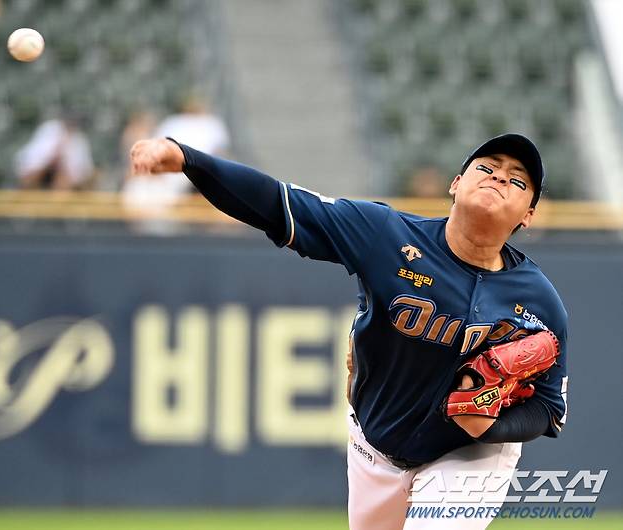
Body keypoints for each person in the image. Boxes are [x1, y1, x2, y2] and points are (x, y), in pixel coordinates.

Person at [129, 133, 568, 530]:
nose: (498, 177)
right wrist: (189, 159)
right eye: (487, 167)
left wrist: (486, 426)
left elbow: (549, 408)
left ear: (527, 215)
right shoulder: (387, 235)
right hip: (375, 443)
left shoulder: (540, 302)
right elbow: (280, 205)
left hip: (469, 455)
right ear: (456, 183)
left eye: (517, 179)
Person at [14, 116, 95, 190]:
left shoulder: (79, 141)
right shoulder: (47, 131)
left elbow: (82, 173)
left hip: (66, 182)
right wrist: (50, 161)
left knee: (64, 178)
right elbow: (26, 168)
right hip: (39, 175)